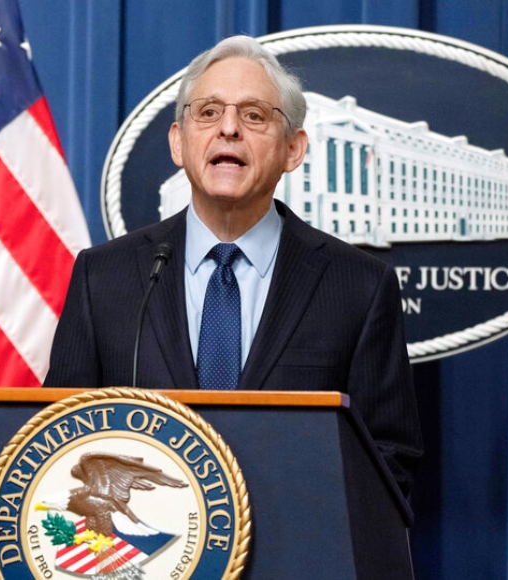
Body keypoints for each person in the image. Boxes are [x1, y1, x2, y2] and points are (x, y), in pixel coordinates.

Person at [44, 35, 422, 496]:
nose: (228, 129)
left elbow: (389, 460)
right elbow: (58, 441)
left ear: (293, 149)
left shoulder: (359, 286)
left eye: (254, 115)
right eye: (208, 112)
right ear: (178, 142)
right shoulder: (102, 277)